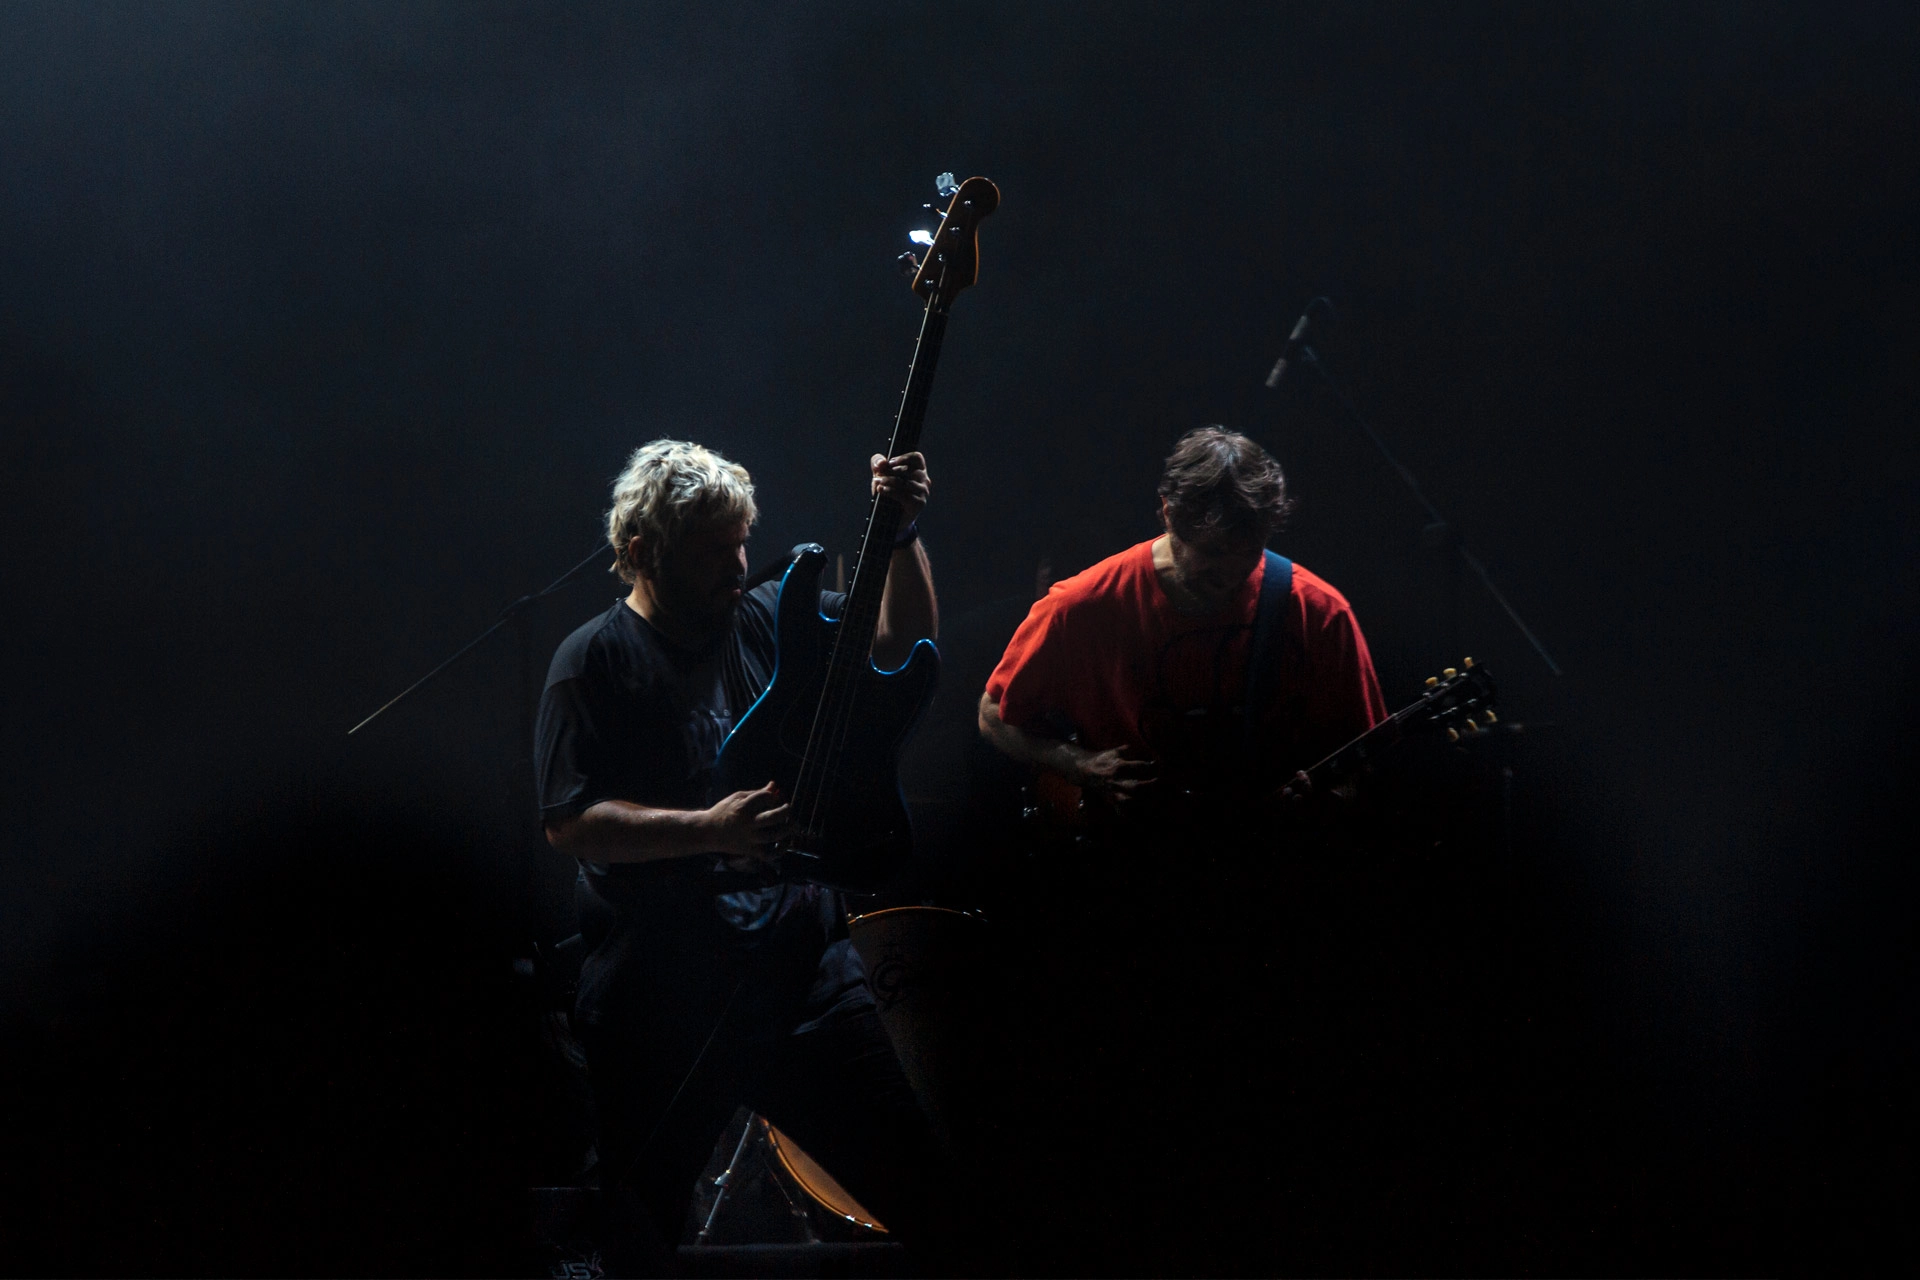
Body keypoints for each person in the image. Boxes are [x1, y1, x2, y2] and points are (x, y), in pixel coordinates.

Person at [972, 425, 1389, 1272]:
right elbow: (995, 715)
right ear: (1166, 515)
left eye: (1244, 564)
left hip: (1257, 908)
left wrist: (1322, 800)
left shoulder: (1315, 612)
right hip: (1120, 894)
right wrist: (1079, 763)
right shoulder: (1085, 603)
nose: (1228, 581)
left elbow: (1363, 765)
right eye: (1208, 566)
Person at [534, 439, 942, 1272]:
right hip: (665, 994)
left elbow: (899, 632)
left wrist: (898, 535)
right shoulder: (594, 659)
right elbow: (573, 823)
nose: (739, 563)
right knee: (637, 1237)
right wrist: (709, 830)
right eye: (714, 550)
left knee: (933, 1198)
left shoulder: (766, 615)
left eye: (742, 542)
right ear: (642, 550)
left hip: (803, 977)